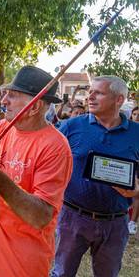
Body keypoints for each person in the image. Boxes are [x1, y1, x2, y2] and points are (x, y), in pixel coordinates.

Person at [0, 66, 72, 277]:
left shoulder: (56, 147)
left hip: (16, 264)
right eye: (6, 94)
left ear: (35, 107)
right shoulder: (1, 128)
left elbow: (40, 216)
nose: (4, 100)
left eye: (13, 95)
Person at [52, 76, 139, 277]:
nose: (90, 96)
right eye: (90, 91)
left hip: (115, 223)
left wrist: (137, 189)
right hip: (72, 217)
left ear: (118, 100)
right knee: (61, 273)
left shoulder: (137, 133)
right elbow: (50, 162)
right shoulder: (71, 126)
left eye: (98, 92)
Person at [128, 106, 139, 235]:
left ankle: (132, 222)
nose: (137, 117)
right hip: (128, 165)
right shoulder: (128, 129)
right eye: (134, 114)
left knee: (137, 195)